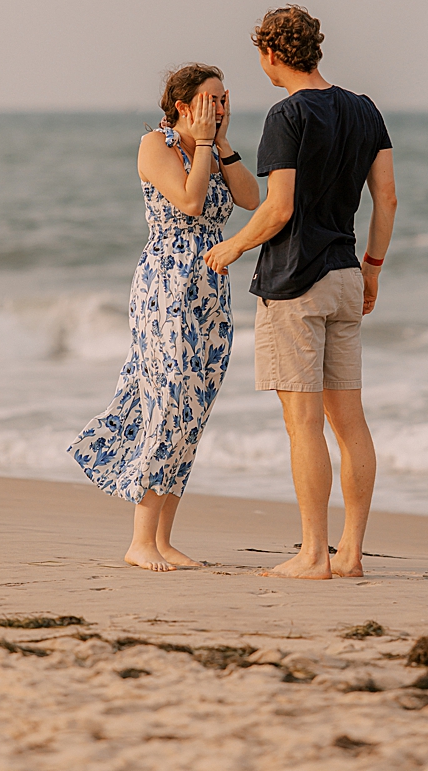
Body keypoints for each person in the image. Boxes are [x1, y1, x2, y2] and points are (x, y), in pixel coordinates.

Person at [205, 5, 397, 581]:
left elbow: (280, 207)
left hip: (294, 283)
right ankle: (352, 554)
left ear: (270, 54)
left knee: (304, 425)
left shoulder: (286, 114)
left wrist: (234, 246)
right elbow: (385, 200)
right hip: (343, 276)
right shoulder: (365, 110)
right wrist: (373, 268)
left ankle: (314, 554)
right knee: (351, 422)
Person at [71, 63, 262, 569]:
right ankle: (140, 540)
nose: (220, 108)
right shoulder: (154, 145)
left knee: (193, 409)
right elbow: (191, 201)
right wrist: (201, 145)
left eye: (224, 100)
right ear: (183, 105)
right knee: (168, 400)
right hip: (168, 286)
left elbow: (251, 198)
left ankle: (163, 538)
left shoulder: (214, 148)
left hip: (212, 288)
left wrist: (221, 144)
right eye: (211, 100)